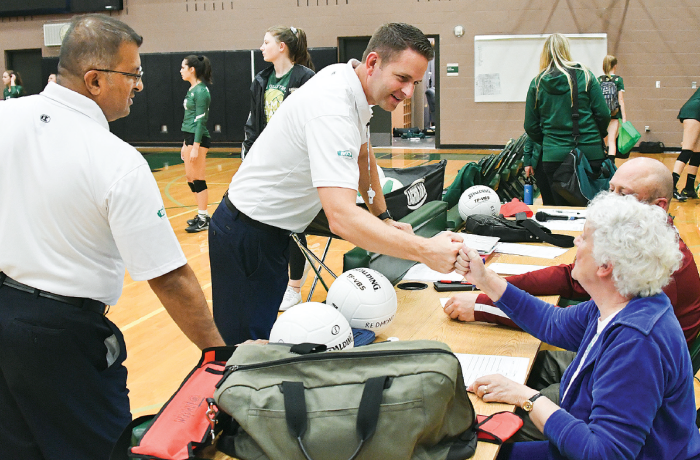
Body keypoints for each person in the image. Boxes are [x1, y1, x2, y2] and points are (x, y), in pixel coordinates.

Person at [0, 14, 224, 460]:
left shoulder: (5, 116)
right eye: (133, 74)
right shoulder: (116, 160)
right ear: (95, 80)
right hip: (63, 338)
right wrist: (217, 355)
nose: (139, 85)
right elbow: (168, 276)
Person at [209, 22, 462, 345]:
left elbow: (362, 157)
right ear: (372, 63)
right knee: (242, 354)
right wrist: (426, 251)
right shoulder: (333, 106)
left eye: (415, 82)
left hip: (271, 233)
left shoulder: (352, 88)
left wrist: (383, 217)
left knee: (261, 347)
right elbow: (341, 218)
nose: (409, 91)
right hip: (246, 234)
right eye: (402, 78)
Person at [445, 157, 700, 441]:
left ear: (606, 265)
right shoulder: (625, 291)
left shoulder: (637, 339)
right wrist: (484, 279)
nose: (575, 242)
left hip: (622, 404)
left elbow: (602, 451)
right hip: (611, 379)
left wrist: (528, 399)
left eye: (584, 238)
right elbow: (554, 322)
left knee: (481, 433)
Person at [242, 25, 316, 311]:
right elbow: (254, 122)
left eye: (266, 42)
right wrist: (249, 156)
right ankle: (275, 281)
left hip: (296, 163)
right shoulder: (261, 80)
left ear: (282, 46)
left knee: (293, 226)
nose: (261, 47)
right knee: (266, 224)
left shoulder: (306, 78)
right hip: (267, 162)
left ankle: (294, 286)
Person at [524, 33, 610, 206]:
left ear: (544, 54)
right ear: (566, 50)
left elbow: (530, 126)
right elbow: (603, 114)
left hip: (553, 156)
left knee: (558, 212)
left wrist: (550, 141)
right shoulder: (585, 75)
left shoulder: (537, 83)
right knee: (594, 210)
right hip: (590, 153)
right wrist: (593, 136)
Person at [180, 55, 213, 233]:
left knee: (198, 178)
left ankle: (204, 217)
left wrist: (196, 145)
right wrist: (185, 143)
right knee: (190, 178)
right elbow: (189, 118)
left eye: (183, 67)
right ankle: (201, 215)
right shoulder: (193, 89)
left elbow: (201, 121)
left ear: (192, 69)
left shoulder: (201, 91)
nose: (181, 71)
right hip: (189, 138)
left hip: (197, 139)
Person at [672, 86, 700, 201]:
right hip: (693, 112)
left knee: (697, 152)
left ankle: (689, 188)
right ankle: (672, 186)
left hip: (695, 112)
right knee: (687, 150)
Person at [598, 55, 626, 159]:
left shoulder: (599, 80)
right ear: (615, 66)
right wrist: (624, 118)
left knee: (602, 140)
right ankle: (611, 165)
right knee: (611, 140)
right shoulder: (618, 80)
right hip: (614, 113)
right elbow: (621, 100)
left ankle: (602, 163)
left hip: (602, 114)